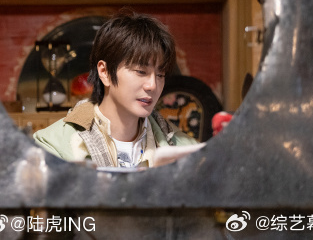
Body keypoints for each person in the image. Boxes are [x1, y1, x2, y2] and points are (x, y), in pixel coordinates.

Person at [33, 10, 202, 169]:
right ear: (105, 72)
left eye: (160, 75)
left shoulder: (185, 149)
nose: (152, 85)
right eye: (141, 72)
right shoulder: (53, 147)